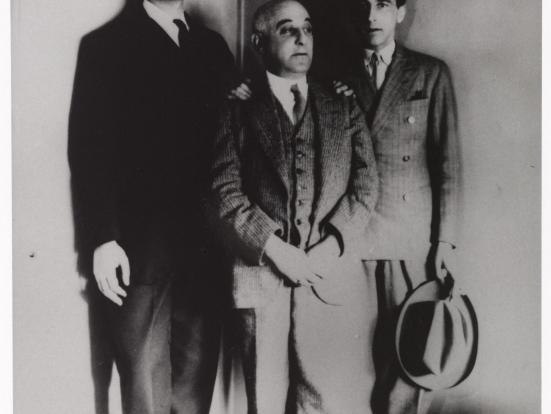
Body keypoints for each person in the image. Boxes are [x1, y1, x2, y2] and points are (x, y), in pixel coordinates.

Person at [68, 1, 239, 413]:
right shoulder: (104, 46)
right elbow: (89, 151)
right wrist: (103, 239)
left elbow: (240, 130)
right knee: (143, 380)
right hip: (138, 249)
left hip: (204, 247)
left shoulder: (212, 48)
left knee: (195, 381)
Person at [210, 1, 380, 413]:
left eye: (307, 29)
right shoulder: (237, 106)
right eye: (287, 30)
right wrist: (276, 249)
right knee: (265, 400)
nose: (302, 39)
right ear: (259, 42)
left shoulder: (342, 102)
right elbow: (225, 192)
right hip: (262, 279)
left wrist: (330, 247)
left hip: (329, 278)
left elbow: (365, 186)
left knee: (325, 402)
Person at [334, 0, 462, 412]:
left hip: (408, 239)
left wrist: (444, 242)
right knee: (350, 360)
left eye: (383, 4)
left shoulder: (430, 73)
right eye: (362, 5)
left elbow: (448, 166)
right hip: (348, 237)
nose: (370, 15)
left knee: (408, 356)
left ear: (400, 13)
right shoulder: (332, 73)